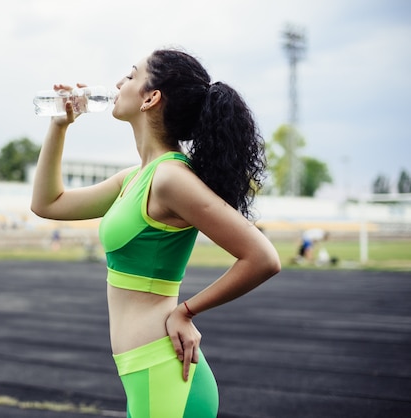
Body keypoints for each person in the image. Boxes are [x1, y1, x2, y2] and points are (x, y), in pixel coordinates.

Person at [31, 48, 281, 417]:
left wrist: (187, 311)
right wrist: (59, 125)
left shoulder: (171, 178)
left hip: (164, 374)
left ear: (151, 97)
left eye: (130, 76)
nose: (119, 83)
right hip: (144, 374)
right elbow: (48, 203)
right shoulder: (136, 177)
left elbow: (263, 257)